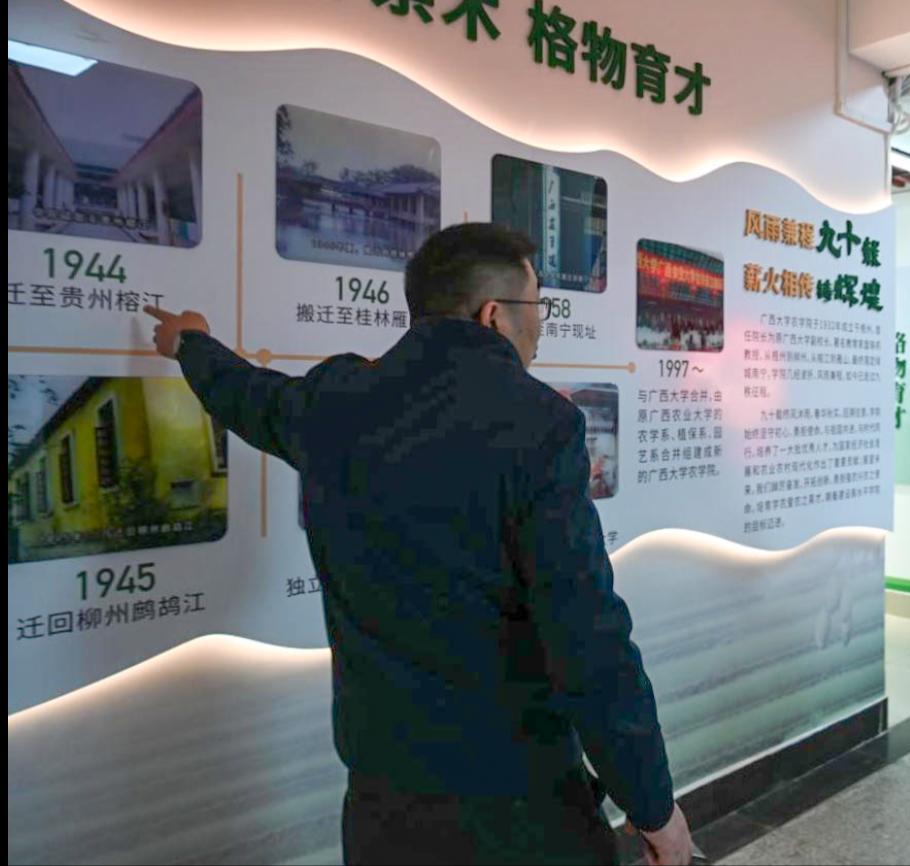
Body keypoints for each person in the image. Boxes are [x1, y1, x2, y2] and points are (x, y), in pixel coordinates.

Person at [143, 223, 692, 866]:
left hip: (382, 803)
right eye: (538, 306)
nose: (542, 325)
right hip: (519, 806)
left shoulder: (334, 398)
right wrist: (653, 807)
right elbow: (588, 642)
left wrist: (189, 342)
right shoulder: (541, 424)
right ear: (494, 315)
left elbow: (244, 393)